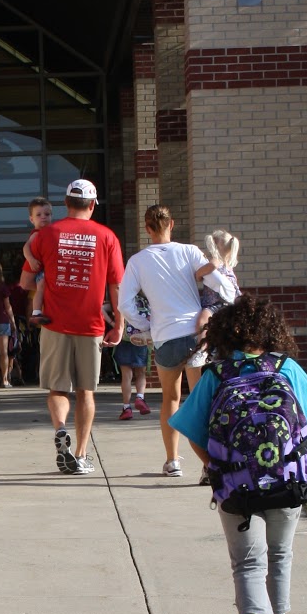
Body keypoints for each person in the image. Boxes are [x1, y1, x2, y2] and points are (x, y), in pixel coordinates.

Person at [168, 294, 307, 614]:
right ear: (271, 331)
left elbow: (191, 430)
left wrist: (216, 467)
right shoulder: (288, 368)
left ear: (224, 333)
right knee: (280, 555)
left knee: (247, 561)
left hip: (236, 487)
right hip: (288, 480)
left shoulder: (217, 375)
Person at [23, 178, 124, 475]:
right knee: (86, 392)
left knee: (57, 388)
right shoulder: (107, 236)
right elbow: (117, 285)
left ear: (66, 204)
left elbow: (26, 281)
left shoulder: (46, 234)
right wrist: (118, 324)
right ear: (92, 205)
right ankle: (80, 454)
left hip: (54, 323)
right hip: (91, 325)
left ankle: (60, 429)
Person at [120, 205, 219, 478]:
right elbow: (215, 279)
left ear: (147, 228)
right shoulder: (189, 251)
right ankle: (209, 464)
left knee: (170, 399)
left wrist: (145, 324)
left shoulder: (138, 261)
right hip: (195, 335)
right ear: (172, 224)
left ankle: (172, 460)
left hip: (165, 337)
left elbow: (125, 302)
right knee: (200, 401)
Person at [192, 229, 242, 369]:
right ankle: (206, 351)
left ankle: (201, 350)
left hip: (214, 304)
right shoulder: (227, 267)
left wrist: (207, 267)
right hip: (223, 304)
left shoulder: (216, 262)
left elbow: (198, 276)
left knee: (202, 322)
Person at [115, 288, 152, 420]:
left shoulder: (124, 298)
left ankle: (126, 408)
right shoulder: (146, 299)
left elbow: (103, 309)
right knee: (140, 373)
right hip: (141, 339)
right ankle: (140, 398)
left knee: (126, 376)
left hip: (125, 339)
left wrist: (113, 325)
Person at [16, 198, 53, 323]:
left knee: (44, 289)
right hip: (40, 269)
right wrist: (31, 259)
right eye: (39, 215)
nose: (43, 217)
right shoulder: (37, 233)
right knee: (41, 287)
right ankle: (36, 312)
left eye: (47, 214)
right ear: (31, 219)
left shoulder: (51, 233)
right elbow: (26, 247)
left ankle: (43, 310)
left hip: (48, 269)